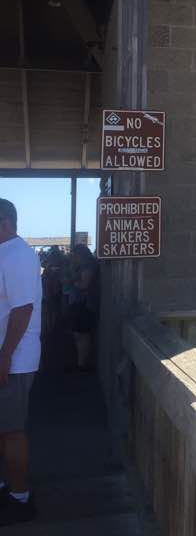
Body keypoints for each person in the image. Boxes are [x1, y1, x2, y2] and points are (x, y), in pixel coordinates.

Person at [0, 199, 41, 524]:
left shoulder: (18, 254)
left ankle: (20, 498)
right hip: (6, 360)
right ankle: (8, 485)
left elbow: (23, 310)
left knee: (12, 431)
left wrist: (3, 359)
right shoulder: (8, 253)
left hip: (12, 363)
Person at [67, 245, 99, 371]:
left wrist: (72, 281)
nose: (72, 257)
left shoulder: (88, 265)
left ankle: (82, 365)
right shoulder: (83, 265)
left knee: (82, 335)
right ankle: (81, 362)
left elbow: (84, 285)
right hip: (80, 303)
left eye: (74, 254)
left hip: (84, 304)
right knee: (78, 334)